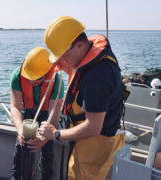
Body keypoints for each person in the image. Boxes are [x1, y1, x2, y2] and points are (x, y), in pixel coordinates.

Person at [39, 16, 127, 180]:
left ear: (79, 45)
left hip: (97, 146)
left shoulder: (98, 76)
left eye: (63, 56)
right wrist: (66, 64)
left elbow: (93, 127)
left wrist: (56, 134)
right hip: (86, 143)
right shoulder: (89, 53)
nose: (60, 62)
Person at [10, 47, 64, 180]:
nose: (32, 82)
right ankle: (16, 177)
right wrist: (20, 130)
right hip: (27, 110)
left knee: (47, 149)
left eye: (37, 79)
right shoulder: (17, 75)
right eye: (29, 78)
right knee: (21, 143)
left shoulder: (57, 81)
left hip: (47, 113)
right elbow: (15, 107)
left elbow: (54, 116)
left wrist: (43, 139)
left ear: (46, 74)